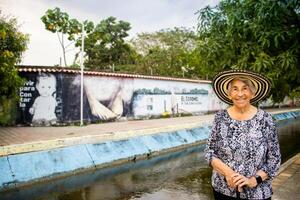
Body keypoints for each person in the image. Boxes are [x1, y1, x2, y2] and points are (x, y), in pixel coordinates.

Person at [205, 70, 281, 200]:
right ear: (229, 94)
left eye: (245, 89)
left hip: (258, 192)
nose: (240, 94)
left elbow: (275, 159)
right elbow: (209, 152)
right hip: (223, 190)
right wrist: (229, 174)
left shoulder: (265, 119)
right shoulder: (220, 118)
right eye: (235, 89)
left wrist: (253, 180)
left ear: (253, 93)